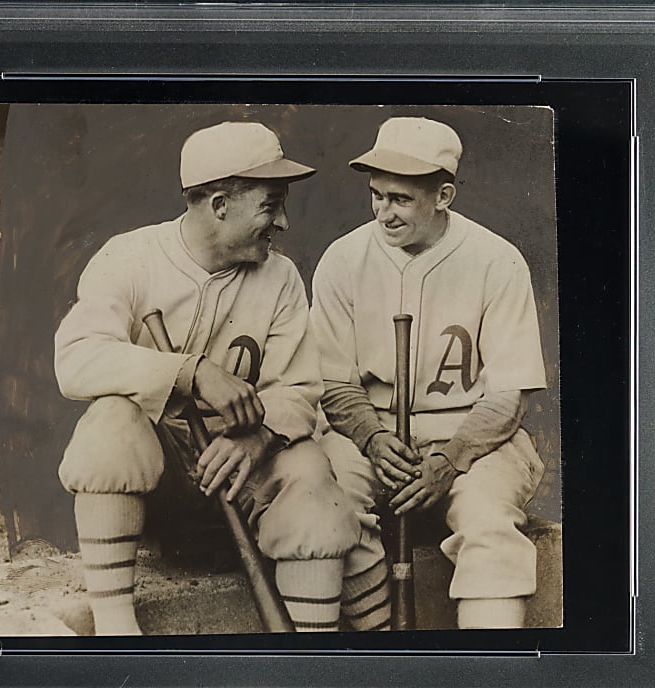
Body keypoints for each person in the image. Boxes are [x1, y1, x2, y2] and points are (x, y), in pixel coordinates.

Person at [54, 121, 361, 636]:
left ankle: (312, 660)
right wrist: (189, 373)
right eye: (270, 204)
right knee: (109, 422)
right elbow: (76, 359)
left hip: (248, 477)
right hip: (164, 482)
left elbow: (302, 390)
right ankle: (116, 633)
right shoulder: (128, 257)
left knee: (310, 468)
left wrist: (259, 438)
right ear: (220, 204)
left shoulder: (280, 276)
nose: (282, 221)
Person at [312, 117, 547, 629]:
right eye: (377, 195)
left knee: (488, 521)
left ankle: (486, 686)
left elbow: (508, 396)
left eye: (401, 199)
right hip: (367, 435)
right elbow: (332, 383)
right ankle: (375, 662)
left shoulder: (496, 260)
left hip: (473, 439)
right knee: (326, 504)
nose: (383, 212)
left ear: (443, 195)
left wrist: (451, 457)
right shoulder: (343, 260)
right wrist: (373, 439)